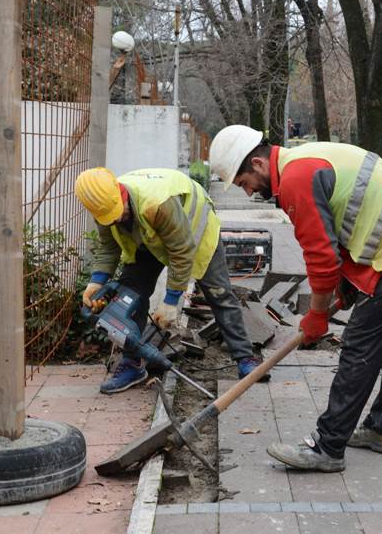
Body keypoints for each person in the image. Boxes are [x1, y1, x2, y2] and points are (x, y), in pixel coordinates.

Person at [209, 125, 382, 472]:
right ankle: (381, 430)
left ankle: (327, 446)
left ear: (259, 164)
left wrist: (317, 315)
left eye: (244, 183)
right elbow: (342, 226)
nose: (247, 193)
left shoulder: (295, 178)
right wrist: (345, 287)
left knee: (360, 345)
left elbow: (321, 258)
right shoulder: (306, 159)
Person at [75, 167, 267, 394]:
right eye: (110, 217)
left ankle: (246, 359)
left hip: (193, 234)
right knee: (129, 294)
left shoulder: (157, 203)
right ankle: (132, 363)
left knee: (219, 294)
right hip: (148, 239)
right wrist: (96, 281)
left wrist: (171, 301)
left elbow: (181, 251)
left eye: (118, 212)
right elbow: (108, 247)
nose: (116, 218)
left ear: (120, 192)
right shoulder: (103, 207)